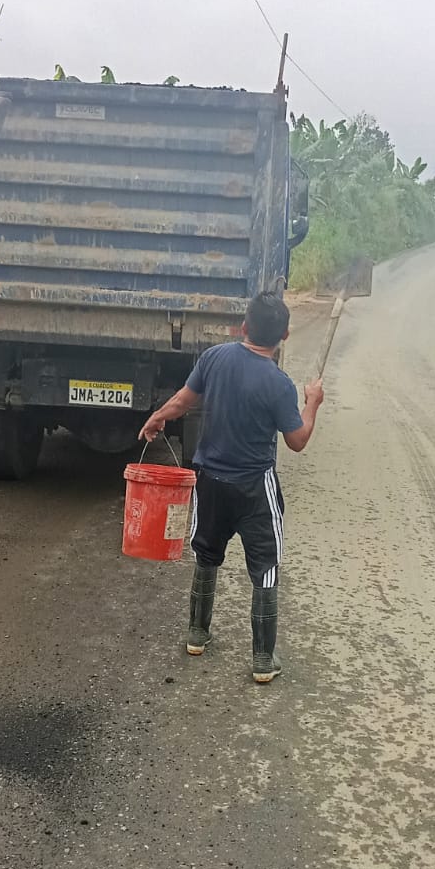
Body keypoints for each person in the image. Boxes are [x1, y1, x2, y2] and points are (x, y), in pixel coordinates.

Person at [138, 291, 324, 684]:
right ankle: (263, 659)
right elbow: (297, 440)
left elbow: (181, 401)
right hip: (255, 487)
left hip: (211, 482)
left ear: (243, 327)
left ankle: (197, 634)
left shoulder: (214, 358)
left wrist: (157, 417)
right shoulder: (279, 384)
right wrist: (313, 402)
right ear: (284, 336)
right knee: (265, 567)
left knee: (206, 555)